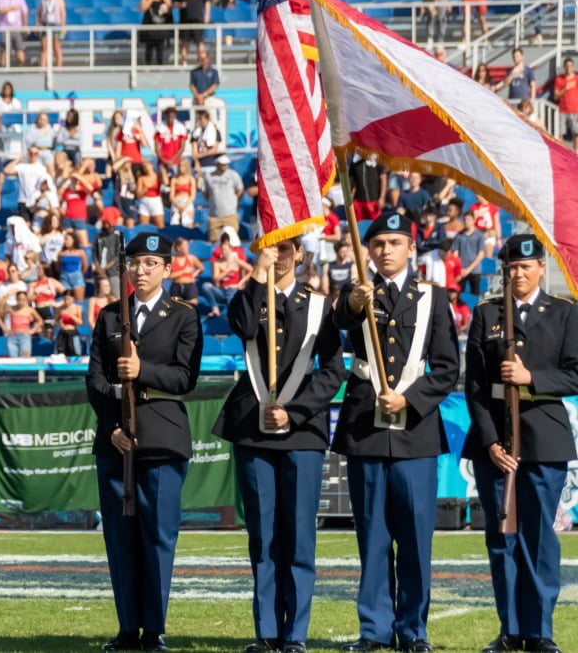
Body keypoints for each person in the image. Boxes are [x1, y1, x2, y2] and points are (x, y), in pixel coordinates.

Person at [331, 213, 460, 653]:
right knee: (372, 535)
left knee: (415, 535)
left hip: (415, 431)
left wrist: (410, 400)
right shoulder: (354, 294)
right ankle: (374, 630)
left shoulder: (431, 297)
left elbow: (446, 368)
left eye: (394, 242)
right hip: (366, 427)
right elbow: (338, 327)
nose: (385, 250)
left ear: (411, 248)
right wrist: (351, 304)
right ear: (368, 250)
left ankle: (413, 631)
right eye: (378, 243)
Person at [211, 240, 344, 653]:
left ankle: (296, 634)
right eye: (271, 247)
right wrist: (257, 274)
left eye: (287, 247)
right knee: (263, 534)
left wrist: (296, 410)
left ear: (302, 254)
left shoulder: (320, 306)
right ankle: (266, 630)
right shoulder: (250, 294)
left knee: (299, 534)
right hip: (253, 427)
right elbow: (243, 327)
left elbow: (333, 369)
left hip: (302, 433)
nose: (279, 254)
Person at [86, 232, 203, 652]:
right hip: (116, 441)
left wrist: (142, 369)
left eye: (151, 263)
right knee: (120, 540)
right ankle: (126, 628)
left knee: (157, 538)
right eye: (135, 262)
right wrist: (111, 425)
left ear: (168, 269)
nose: (141, 270)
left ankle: (153, 629)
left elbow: (184, 378)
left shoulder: (183, 316)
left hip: (161, 439)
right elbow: (96, 379)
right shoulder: (110, 315)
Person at [462, 235, 574, 653]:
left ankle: (539, 631)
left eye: (526, 266)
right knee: (502, 538)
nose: (518, 274)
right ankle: (509, 629)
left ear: (542, 267)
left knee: (539, 538)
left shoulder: (564, 313)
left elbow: (576, 374)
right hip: (496, 444)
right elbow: (474, 384)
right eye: (511, 267)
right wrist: (490, 442)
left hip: (543, 439)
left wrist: (532, 379)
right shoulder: (488, 313)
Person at [201, 155, 244, 242]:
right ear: (216, 164)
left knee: (233, 241)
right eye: (222, 164)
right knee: (214, 243)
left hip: (230, 215)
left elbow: (240, 190)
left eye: (226, 164)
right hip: (214, 216)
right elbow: (205, 193)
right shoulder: (208, 176)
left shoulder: (233, 175)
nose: (224, 166)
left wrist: (233, 201)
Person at [173, 0, 210, 65]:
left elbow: (207, 2)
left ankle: (201, 62)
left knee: (199, 42)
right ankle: (184, 62)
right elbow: (175, 3)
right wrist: (180, 4)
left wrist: (207, 16)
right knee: (184, 42)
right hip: (185, 21)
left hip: (197, 20)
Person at [140, 0, 174, 66]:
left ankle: (160, 66)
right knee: (149, 49)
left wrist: (165, 8)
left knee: (160, 49)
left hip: (160, 28)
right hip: (149, 28)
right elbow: (142, 8)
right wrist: (150, 0)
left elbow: (169, 7)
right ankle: (147, 66)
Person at [0, 0, 29, 68]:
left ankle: (22, 66)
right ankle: (3, 66)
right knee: (4, 49)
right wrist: (12, 8)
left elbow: (24, 11)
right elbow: (1, 10)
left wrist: (25, 25)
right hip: (5, 28)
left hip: (17, 28)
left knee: (19, 48)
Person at [36, 0, 66, 68]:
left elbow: (62, 13)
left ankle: (59, 67)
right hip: (45, 24)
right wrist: (37, 25)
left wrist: (63, 26)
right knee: (44, 47)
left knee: (56, 46)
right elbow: (39, 14)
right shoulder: (42, 1)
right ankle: (42, 67)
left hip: (56, 24)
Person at [553, 57, 577, 152]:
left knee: (576, 132)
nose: (569, 68)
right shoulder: (559, 79)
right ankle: (562, 152)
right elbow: (555, 96)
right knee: (560, 133)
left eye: (570, 66)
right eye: (567, 66)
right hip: (563, 110)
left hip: (575, 110)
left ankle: (576, 152)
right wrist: (565, 88)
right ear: (564, 67)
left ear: (573, 67)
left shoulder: (576, 79)